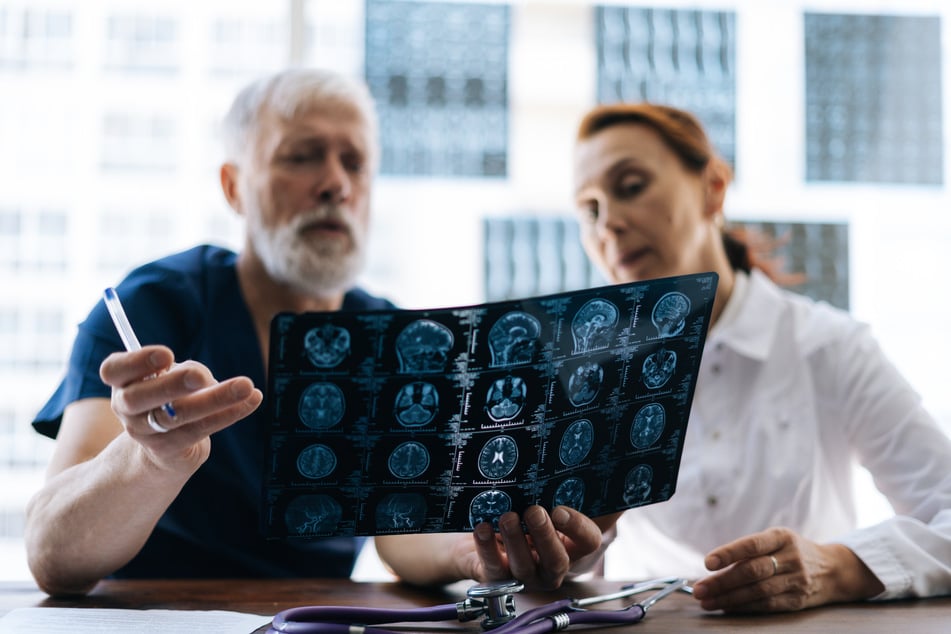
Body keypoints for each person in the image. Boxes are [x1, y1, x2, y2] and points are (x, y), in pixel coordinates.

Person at [24, 67, 606, 597]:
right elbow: (54, 555)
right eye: (301, 156)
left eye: (354, 163)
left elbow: (399, 530)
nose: (335, 184)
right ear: (234, 187)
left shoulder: (397, 337)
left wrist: (467, 549)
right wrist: (147, 460)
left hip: (313, 617)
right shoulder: (153, 309)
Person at [570, 102, 951, 612]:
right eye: (589, 209)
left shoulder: (828, 346)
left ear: (713, 189)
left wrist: (835, 567)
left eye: (631, 186)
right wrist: (564, 545)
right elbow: (567, 572)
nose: (608, 225)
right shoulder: (589, 381)